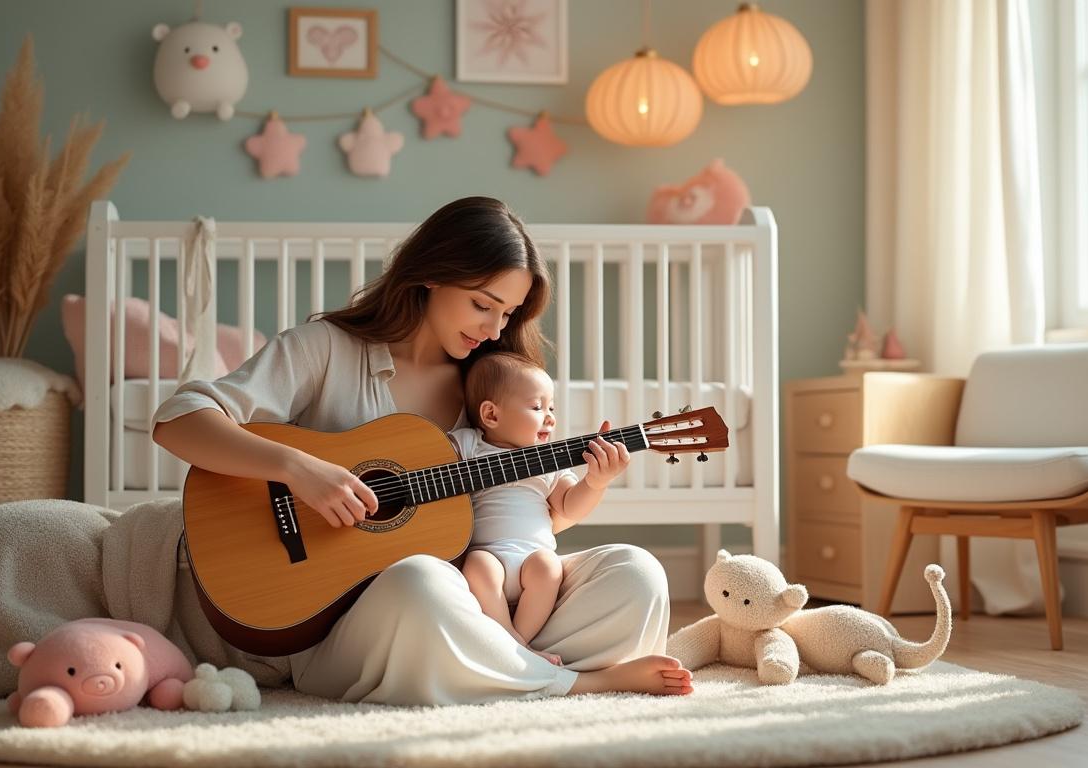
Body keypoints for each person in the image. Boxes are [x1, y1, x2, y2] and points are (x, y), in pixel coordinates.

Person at [151, 196, 693, 705]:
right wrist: (297, 468)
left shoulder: (495, 390)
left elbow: (527, 515)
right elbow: (178, 420)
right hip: (364, 621)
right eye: (482, 304)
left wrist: (593, 481)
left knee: (637, 572)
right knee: (424, 581)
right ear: (431, 274)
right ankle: (576, 682)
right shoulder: (325, 349)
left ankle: (504, 666)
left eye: (507, 314)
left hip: (493, 602)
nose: (493, 327)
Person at [452, 351, 629, 666]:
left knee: (549, 567)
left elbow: (569, 506)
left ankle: (518, 642)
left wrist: (596, 482)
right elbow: (429, 460)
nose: (550, 417)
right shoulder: (470, 445)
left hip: (531, 560)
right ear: (491, 415)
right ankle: (514, 644)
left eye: (552, 408)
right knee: (477, 565)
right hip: (487, 555)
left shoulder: (549, 462)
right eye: (537, 407)